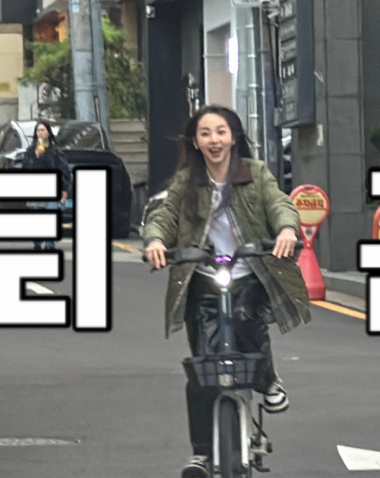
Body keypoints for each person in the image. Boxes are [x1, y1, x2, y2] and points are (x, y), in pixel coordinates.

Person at [143, 105, 312, 478]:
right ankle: (202, 455)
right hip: (203, 276)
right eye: (205, 133)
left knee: (248, 325)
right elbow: (164, 216)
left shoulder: (255, 172)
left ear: (233, 136)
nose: (214, 140)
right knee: (203, 368)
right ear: (195, 141)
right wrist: (155, 240)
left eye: (221, 132)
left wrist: (286, 230)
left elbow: (279, 204)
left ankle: (267, 378)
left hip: (249, 272)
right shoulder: (186, 181)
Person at [22, 121, 72, 251]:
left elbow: (63, 170)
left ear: (48, 133)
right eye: (38, 130)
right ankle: (37, 241)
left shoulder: (55, 151)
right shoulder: (30, 151)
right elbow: (26, 169)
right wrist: (36, 157)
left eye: (43, 130)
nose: (40, 133)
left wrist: (64, 188)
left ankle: (50, 244)